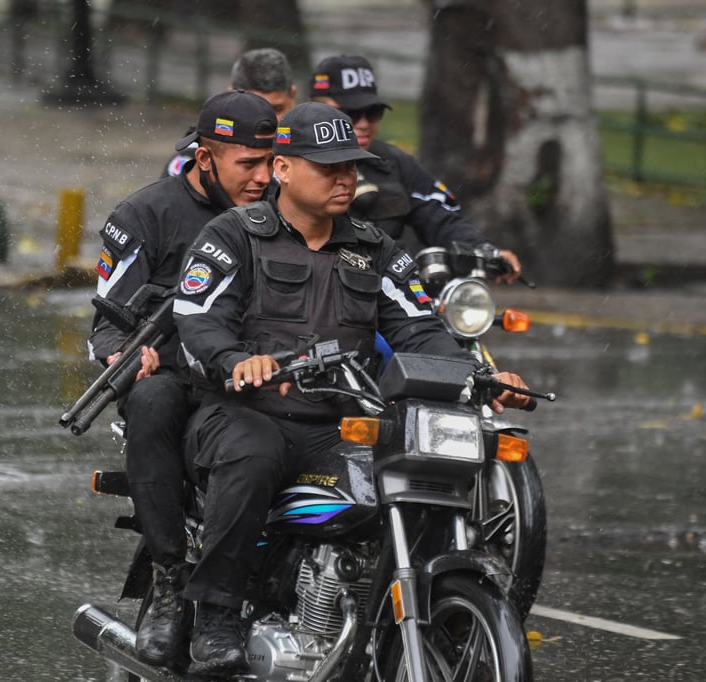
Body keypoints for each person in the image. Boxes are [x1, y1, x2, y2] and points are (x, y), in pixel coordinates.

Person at [171, 102, 533, 676]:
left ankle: (375, 611)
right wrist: (236, 359)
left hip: (339, 422)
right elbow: (196, 314)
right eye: (329, 167)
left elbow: (419, 329)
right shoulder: (233, 235)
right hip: (247, 411)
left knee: (401, 483)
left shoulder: (377, 249)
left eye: (351, 167)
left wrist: (482, 378)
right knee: (251, 458)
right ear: (284, 169)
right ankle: (216, 615)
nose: (347, 178)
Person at [87, 89, 277, 667]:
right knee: (150, 400)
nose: (263, 178)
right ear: (205, 158)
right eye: (248, 165)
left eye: (271, 163)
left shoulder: (280, 215)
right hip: (174, 377)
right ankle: (171, 581)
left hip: (257, 374)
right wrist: (122, 352)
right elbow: (105, 321)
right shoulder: (142, 215)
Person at [308, 54, 523, 283]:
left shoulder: (394, 162)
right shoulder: (293, 162)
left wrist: (483, 249)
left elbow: (440, 215)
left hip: (388, 290)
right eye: (350, 113)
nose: (363, 123)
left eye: (373, 113)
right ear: (314, 109)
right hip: (317, 287)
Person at [164, 48, 297, 177]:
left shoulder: (309, 149)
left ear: (292, 95)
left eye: (277, 109)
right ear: (231, 93)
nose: (268, 122)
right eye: (252, 110)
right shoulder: (194, 161)